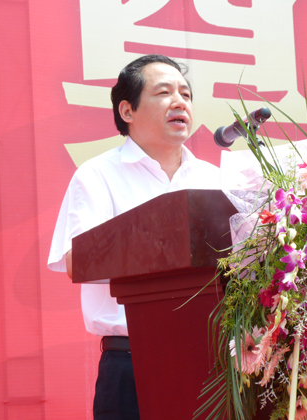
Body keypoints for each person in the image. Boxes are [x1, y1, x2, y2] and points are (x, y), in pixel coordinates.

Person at [48, 54, 221, 420]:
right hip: (132, 360)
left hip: (213, 359)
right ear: (127, 110)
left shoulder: (214, 179)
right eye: (164, 92)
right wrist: (169, 243)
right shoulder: (98, 175)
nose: (180, 102)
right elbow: (79, 261)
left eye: (186, 94)